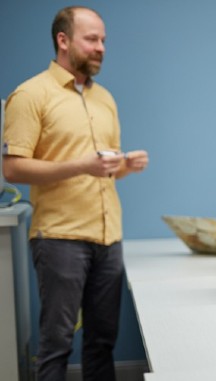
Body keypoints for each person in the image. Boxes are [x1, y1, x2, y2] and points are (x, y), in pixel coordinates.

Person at [2, 6, 150, 381]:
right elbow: (12, 167)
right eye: (92, 39)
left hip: (108, 238)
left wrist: (124, 167)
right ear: (63, 40)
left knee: (102, 344)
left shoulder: (106, 99)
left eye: (103, 40)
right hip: (60, 239)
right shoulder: (30, 94)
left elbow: (104, 170)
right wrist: (80, 166)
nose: (101, 47)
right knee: (57, 346)